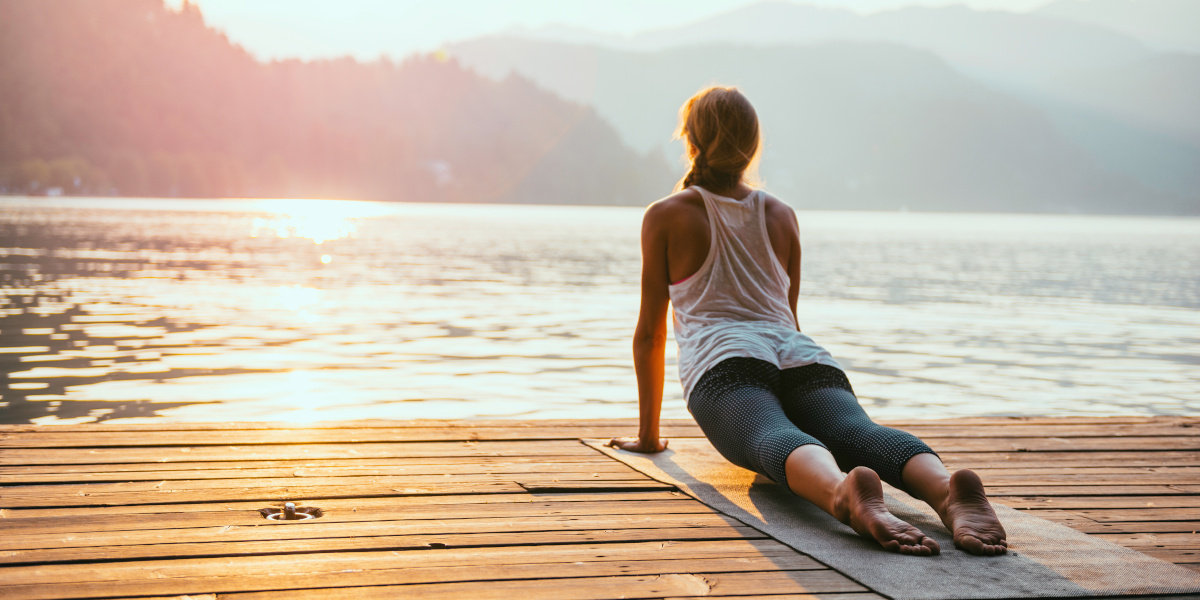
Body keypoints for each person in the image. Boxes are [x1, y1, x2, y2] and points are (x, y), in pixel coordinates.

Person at [607, 86, 1007, 556]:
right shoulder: (781, 214)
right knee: (861, 434)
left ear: (691, 141)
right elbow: (788, 315)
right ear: (752, 146)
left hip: (726, 365)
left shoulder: (667, 215)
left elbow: (651, 333)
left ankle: (843, 493)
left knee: (772, 437)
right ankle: (944, 488)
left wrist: (650, 437)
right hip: (803, 357)